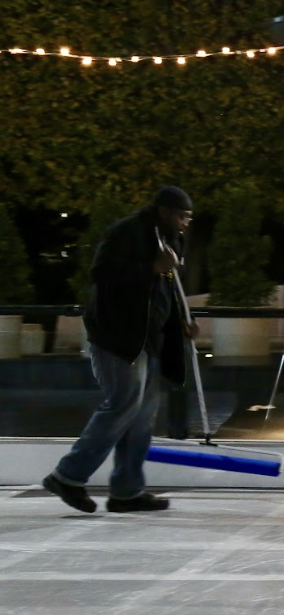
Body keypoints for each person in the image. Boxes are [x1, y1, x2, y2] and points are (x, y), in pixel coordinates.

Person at [42, 186, 197, 514]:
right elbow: (101, 274)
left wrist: (181, 321)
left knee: (142, 418)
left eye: (189, 217)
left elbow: (164, 292)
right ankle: (67, 475)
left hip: (150, 340)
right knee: (122, 406)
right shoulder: (126, 233)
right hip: (118, 338)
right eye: (182, 216)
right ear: (165, 211)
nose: (185, 222)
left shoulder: (171, 240)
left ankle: (127, 491)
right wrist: (151, 267)